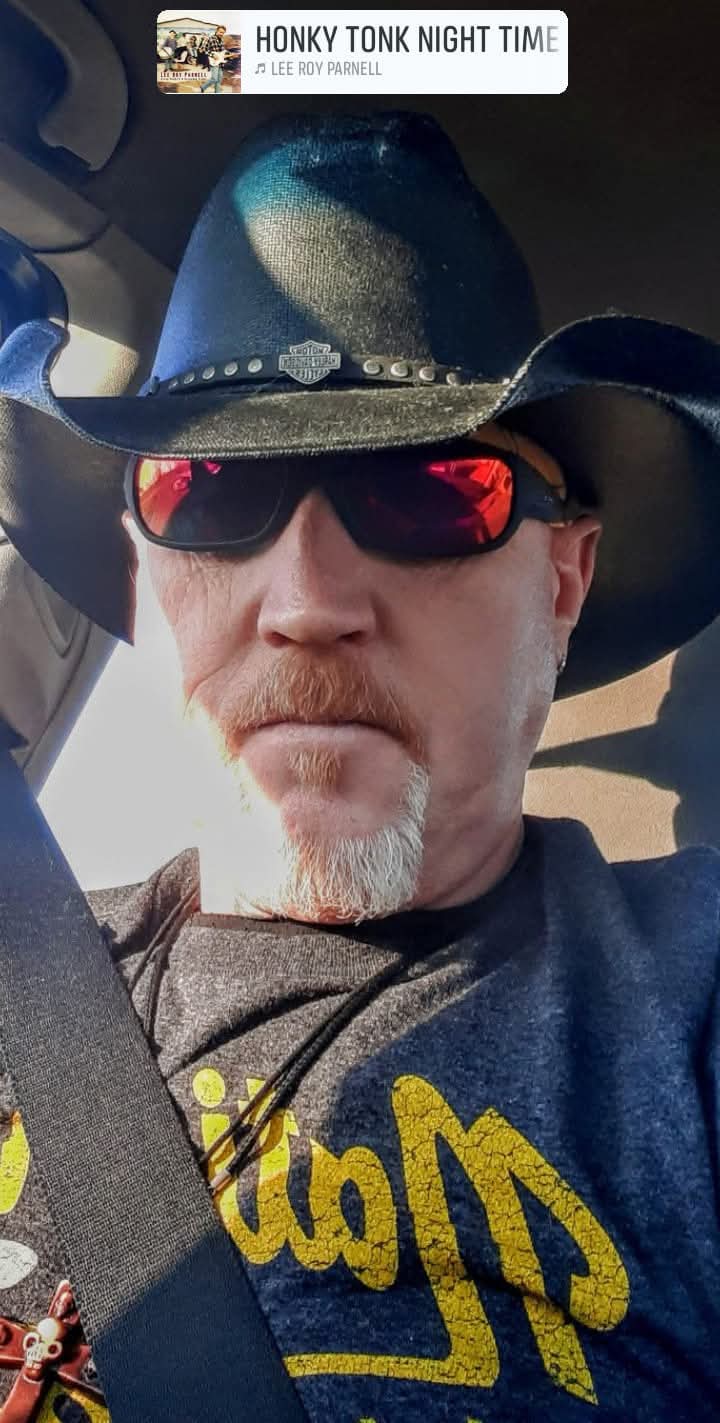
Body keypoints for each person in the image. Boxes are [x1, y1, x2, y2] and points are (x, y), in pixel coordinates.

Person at [1, 111, 720, 1420]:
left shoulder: (695, 997)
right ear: (145, 574)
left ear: (564, 580)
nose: (309, 601)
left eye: (432, 491)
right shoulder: (13, 985)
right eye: (209, 491)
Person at [200, 24, 228, 93]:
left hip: (220, 62)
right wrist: (212, 55)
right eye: (220, 32)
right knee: (214, 79)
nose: (222, 34)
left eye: (223, 33)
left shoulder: (222, 40)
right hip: (214, 62)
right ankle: (203, 87)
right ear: (216, 31)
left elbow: (221, 52)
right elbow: (203, 49)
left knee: (219, 80)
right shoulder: (209, 38)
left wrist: (227, 55)